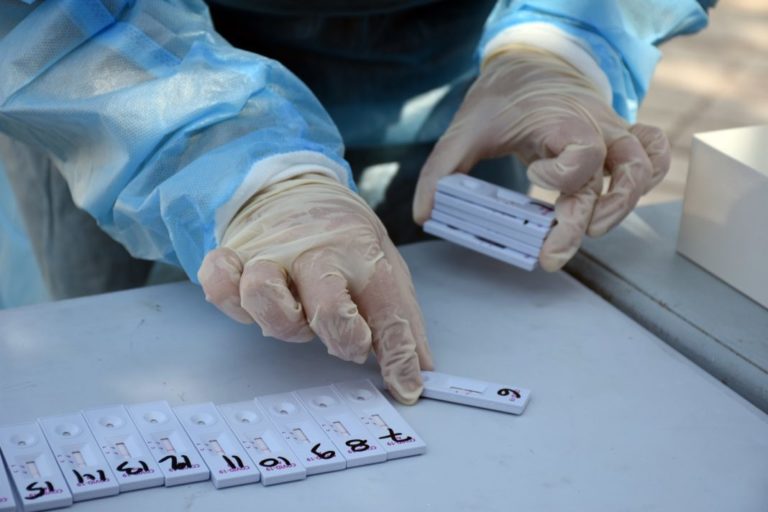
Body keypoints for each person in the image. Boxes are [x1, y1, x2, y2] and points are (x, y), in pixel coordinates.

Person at [0, 0, 714, 403]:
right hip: (130, 94)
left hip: (460, 96)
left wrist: (563, 47)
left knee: (465, 328)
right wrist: (237, 169)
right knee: (147, 378)